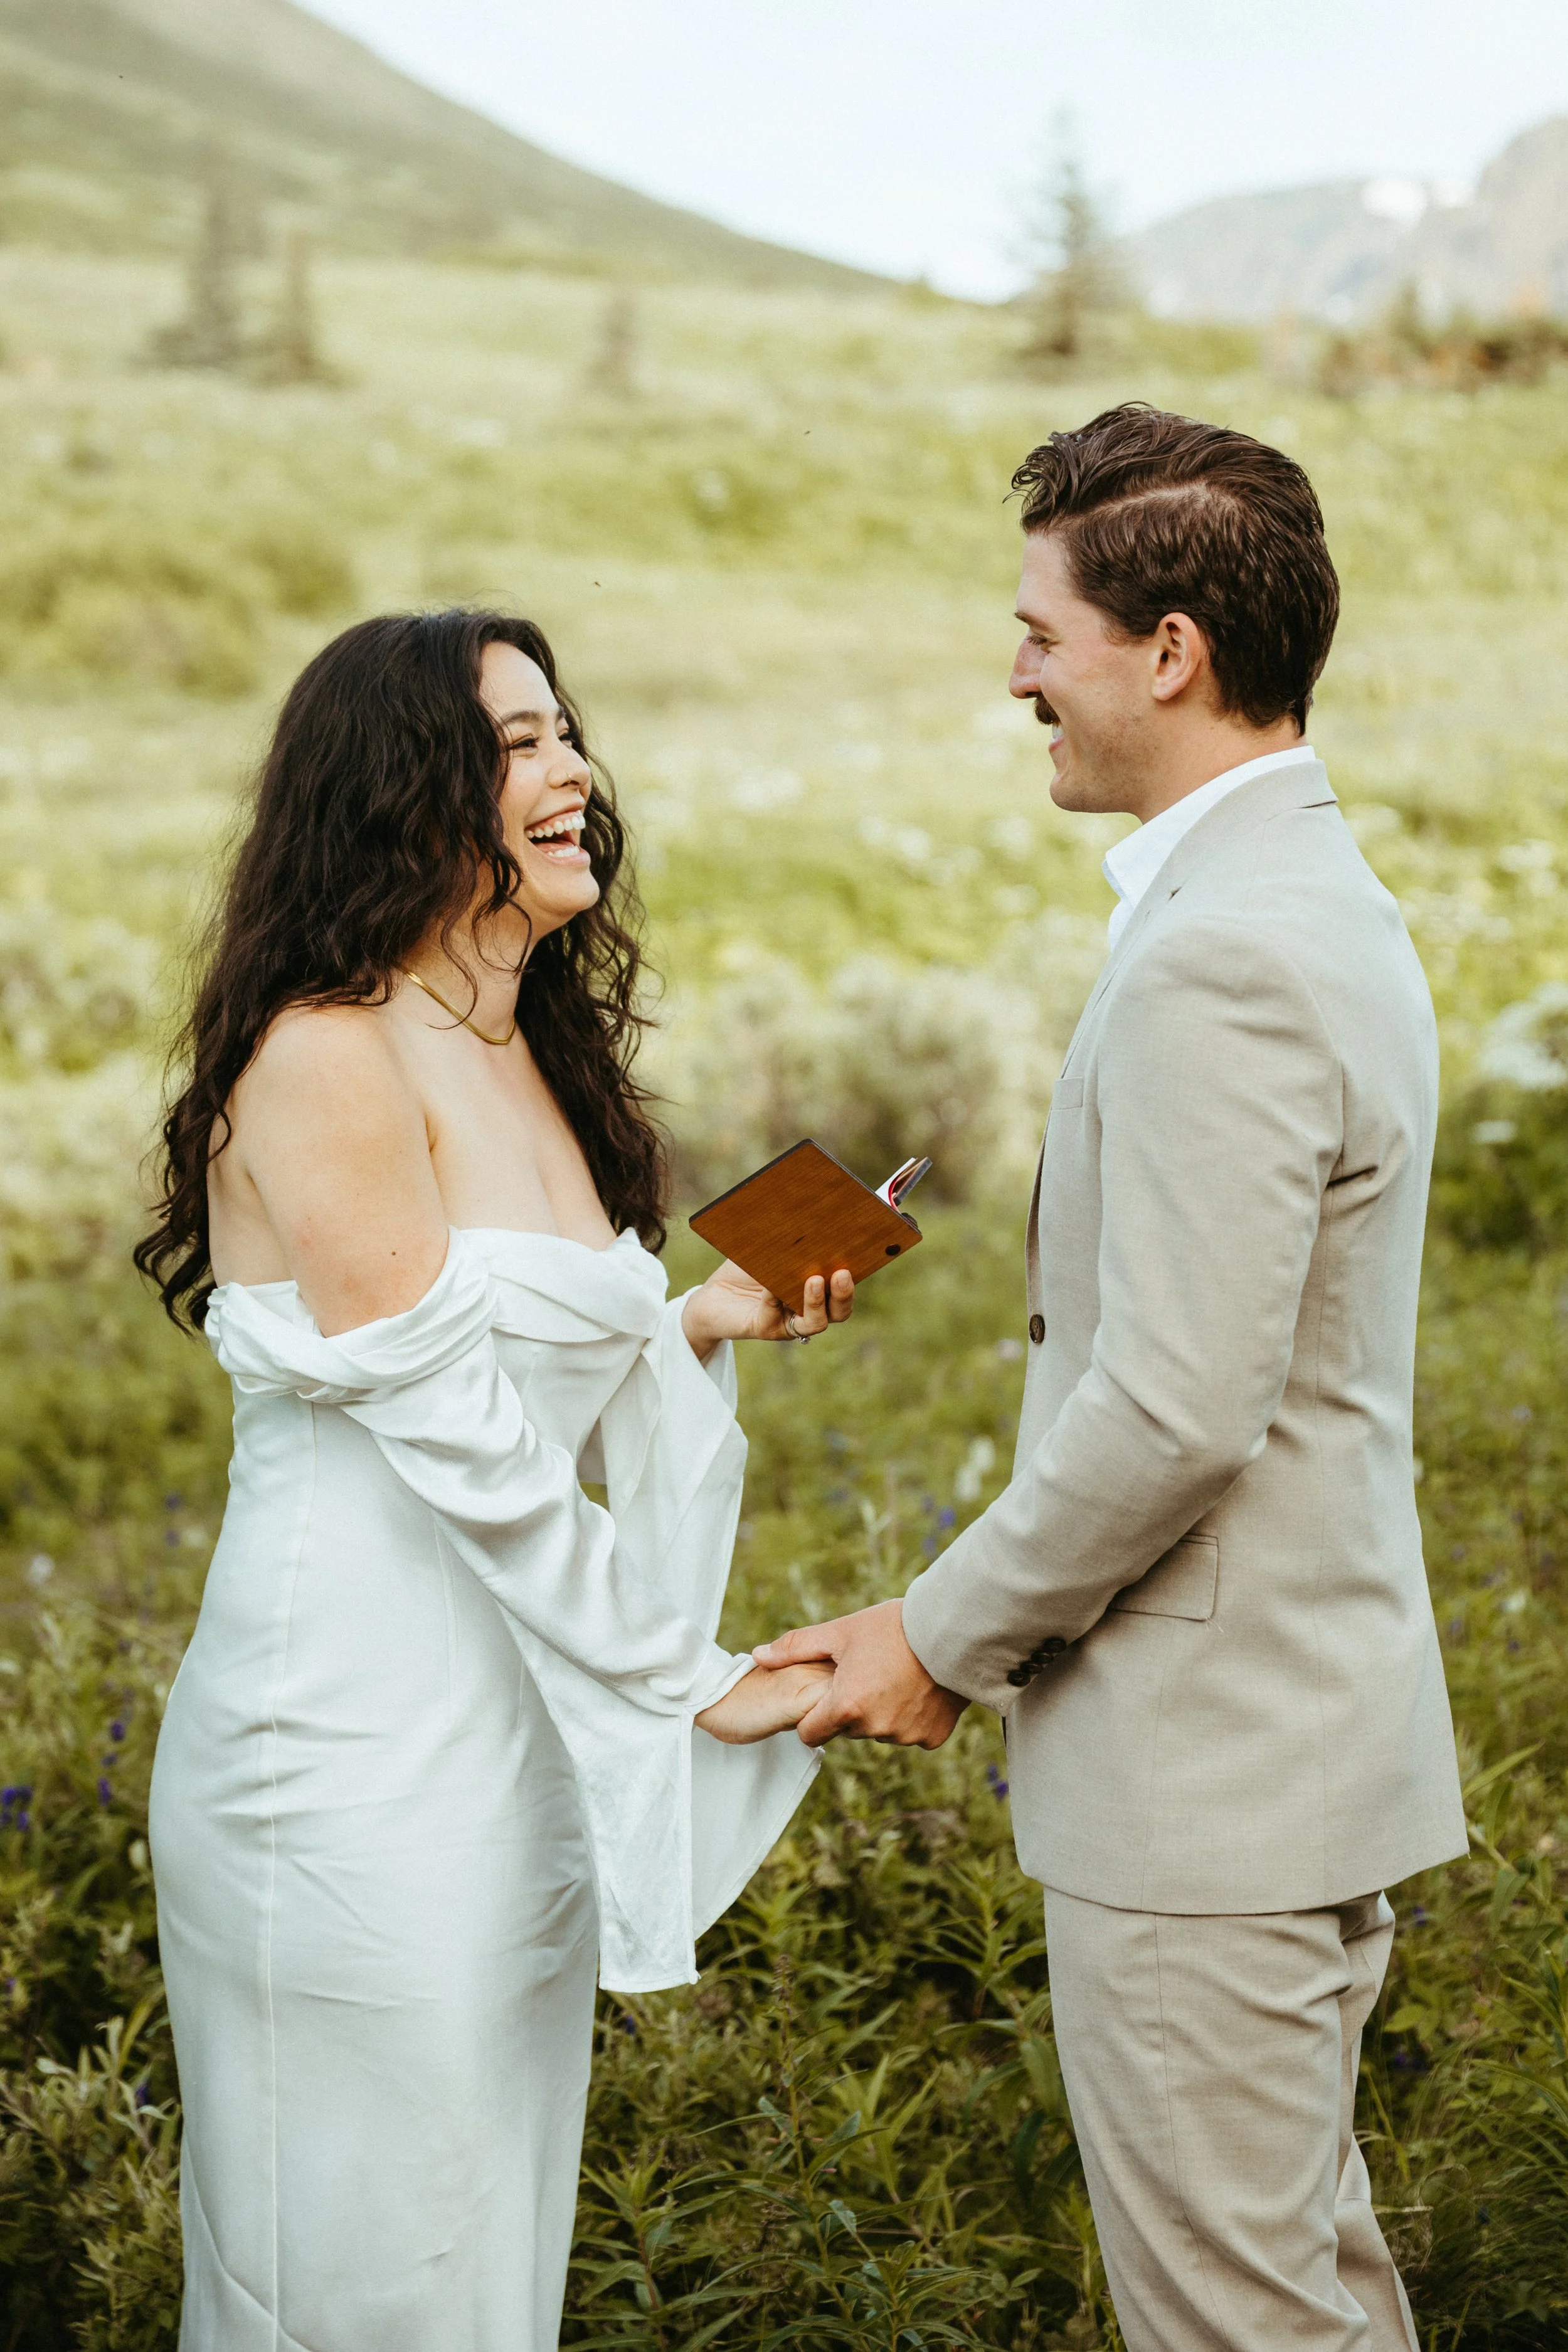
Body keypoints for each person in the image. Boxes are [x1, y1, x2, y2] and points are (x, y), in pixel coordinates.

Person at [756, 405, 1466, 2351]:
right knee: (1306, 2305)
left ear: (1169, 650)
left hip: (1203, 1787)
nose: (1014, 676)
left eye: (1040, 632)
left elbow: (1172, 1403)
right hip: (1293, 1751)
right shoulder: (1310, 896)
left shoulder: (1218, 954)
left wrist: (938, 1630)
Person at [138, 609, 854, 2352]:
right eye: (521, 744)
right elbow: (458, 1438)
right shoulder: (326, 1049)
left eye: (564, 735)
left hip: (510, 1745)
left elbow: (537, 1391)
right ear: (404, 787)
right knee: (364, 2266)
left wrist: (696, 1322)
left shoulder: (524, 1042)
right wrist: (687, 1680)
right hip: (349, 1762)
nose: (572, 773)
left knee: (480, 2262)